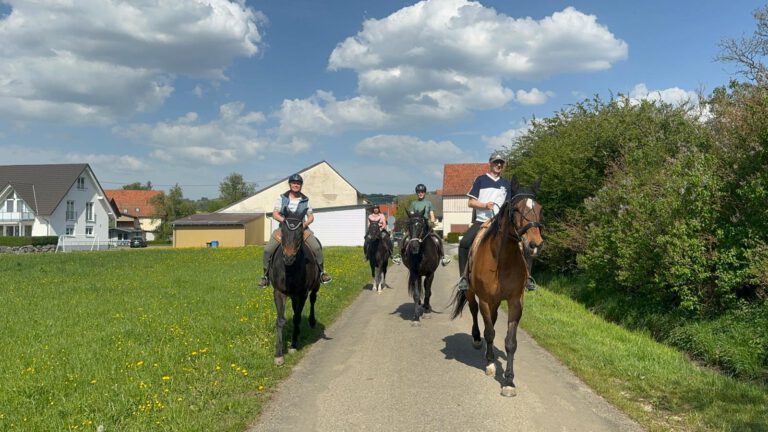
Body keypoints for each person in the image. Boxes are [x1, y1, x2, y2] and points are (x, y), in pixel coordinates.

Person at [456, 153, 536, 291]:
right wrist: (485, 205)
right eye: (496, 162)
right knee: (464, 243)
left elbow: (511, 204)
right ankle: (464, 278)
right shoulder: (480, 180)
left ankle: (528, 278)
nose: (499, 165)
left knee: (525, 243)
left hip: (501, 223)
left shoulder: (506, 183)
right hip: (482, 221)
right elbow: (470, 202)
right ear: (490, 164)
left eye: (501, 163)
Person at [258, 174, 332, 288]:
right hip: (284, 229)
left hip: (301, 229)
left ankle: (322, 273)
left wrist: (304, 225)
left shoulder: (305, 200)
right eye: (294, 183)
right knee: (267, 250)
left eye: (298, 183)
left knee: (316, 248)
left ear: (301, 186)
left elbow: (311, 217)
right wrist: (284, 221)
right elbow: (275, 214)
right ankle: (265, 276)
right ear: (290, 184)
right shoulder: (281, 198)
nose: (296, 185)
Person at [392, 184, 451, 266]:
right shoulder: (413, 203)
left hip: (425, 226)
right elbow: (411, 214)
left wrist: (433, 220)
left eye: (422, 192)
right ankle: (399, 256)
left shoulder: (429, 203)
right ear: (417, 193)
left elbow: (431, 214)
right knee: (404, 238)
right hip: (416, 226)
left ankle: (443, 257)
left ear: (424, 193)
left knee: (437, 239)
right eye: (419, 192)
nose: (420, 193)